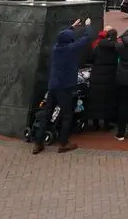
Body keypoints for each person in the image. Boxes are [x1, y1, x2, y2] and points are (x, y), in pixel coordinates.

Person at [31, 18, 94, 155]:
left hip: (53, 86)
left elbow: (63, 35)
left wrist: (72, 27)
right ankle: (64, 143)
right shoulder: (71, 49)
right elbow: (87, 38)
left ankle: (38, 143)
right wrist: (88, 26)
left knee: (47, 115)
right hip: (65, 87)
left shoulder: (55, 48)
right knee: (67, 115)